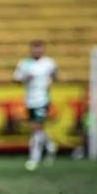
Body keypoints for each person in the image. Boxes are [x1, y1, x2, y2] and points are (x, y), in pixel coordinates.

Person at [13, 40, 58, 171]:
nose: (37, 51)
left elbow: (55, 76)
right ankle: (50, 145)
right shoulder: (24, 64)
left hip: (43, 99)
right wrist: (26, 78)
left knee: (36, 128)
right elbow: (16, 79)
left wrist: (51, 82)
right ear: (31, 50)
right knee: (37, 128)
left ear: (43, 50)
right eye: (35, 49)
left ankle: (34, 158)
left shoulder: (49, 63)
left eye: (40, 49)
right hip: (30, 99)